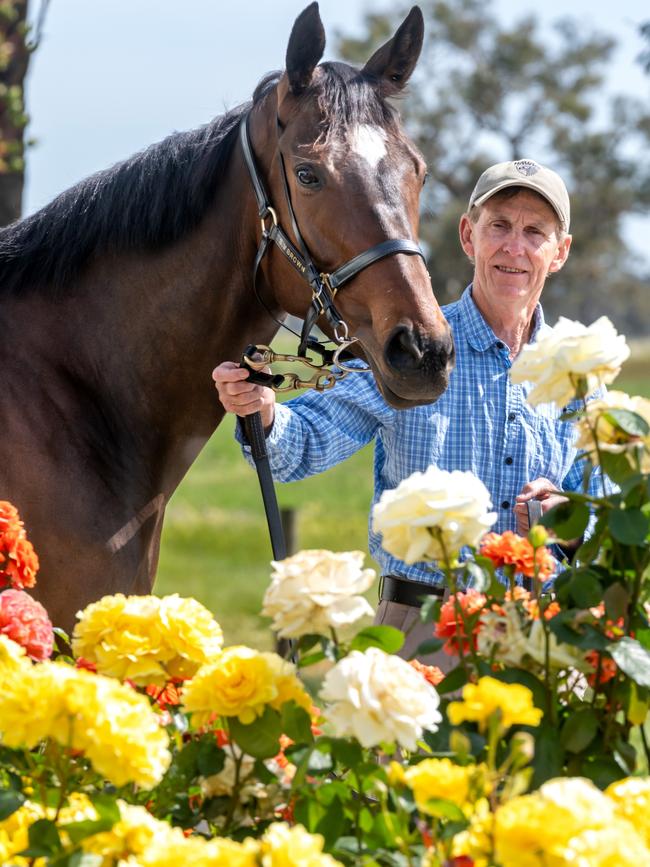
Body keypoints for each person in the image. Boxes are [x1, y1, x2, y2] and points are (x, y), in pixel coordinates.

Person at [213, 158, 599, 667]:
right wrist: (261, 412)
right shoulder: (413, 348)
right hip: (425, 634)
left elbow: (608, 517)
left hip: (545, 638)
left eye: (535, 232)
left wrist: (570, 522)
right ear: (468, 235)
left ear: (560, 252)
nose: (514, 247)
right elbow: (301, 444)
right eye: (499, 226)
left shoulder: (576, 371)